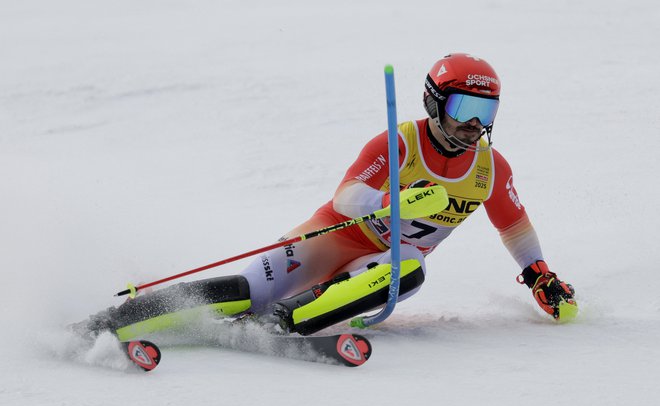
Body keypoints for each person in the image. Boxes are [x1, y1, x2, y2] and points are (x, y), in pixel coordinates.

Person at [75, 53, 577, 342]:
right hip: (331, 238)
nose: (474, 125)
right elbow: (348, 196)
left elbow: (514, 226)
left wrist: (538, 276)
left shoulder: (490, 168)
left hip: (382, 266)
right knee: (245, 290)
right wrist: (393, 203)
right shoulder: (398, 143)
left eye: (485, 112)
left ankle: (281, 324)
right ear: (434, 101)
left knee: (409, 268)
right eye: (464, 107)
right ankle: (104, 323)